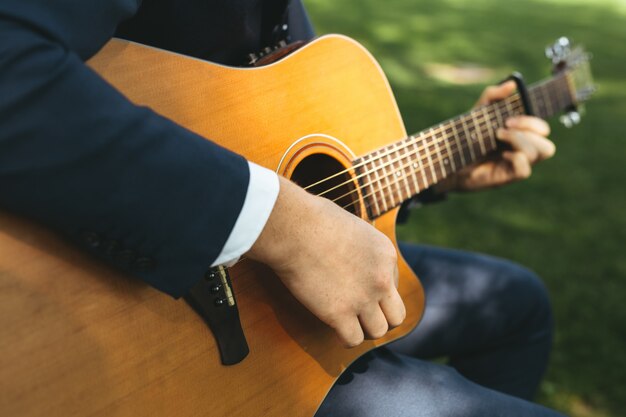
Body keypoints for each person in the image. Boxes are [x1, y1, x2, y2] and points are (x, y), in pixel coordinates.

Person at [0, 0, 565, 416]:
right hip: (142, 326)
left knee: (519, 305)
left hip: (259, 291)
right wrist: (282, 226)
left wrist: (439, 172)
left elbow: (305, 168)